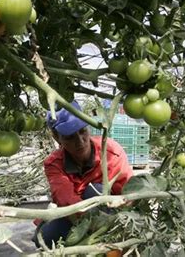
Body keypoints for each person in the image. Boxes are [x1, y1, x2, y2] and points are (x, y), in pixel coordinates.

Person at [32, 100, 133, 248]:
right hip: (73, 214)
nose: (80, 141)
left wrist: (123, 206)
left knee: (95, 190)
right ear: (56, 137)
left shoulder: (111, 152)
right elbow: (66, 200)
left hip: (108, 211)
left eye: (82, 131)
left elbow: (129, 189)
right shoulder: (54, 164)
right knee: (43, 238)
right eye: (69, 137)